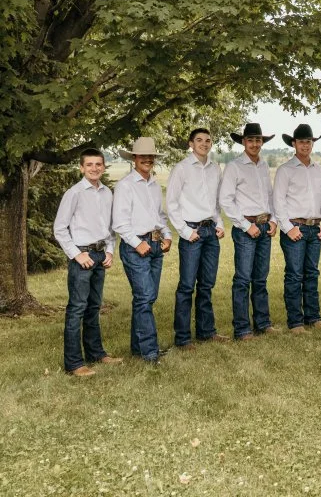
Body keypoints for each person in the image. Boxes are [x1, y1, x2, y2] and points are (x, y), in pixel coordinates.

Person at [53, 148, 122, 377]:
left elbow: (111, 228)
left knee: (94, 307)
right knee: (77, 309)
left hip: (100, 256)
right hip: (82, 257)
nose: (94, 168)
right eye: (89, 165)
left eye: (98, 164)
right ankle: (74, 363)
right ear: (81, 168)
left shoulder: (107, 193)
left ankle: (96, 353)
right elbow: (60, 228)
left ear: (103, 166)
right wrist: (76, 254)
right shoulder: (74, 193)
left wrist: (110, 251)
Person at [166, 128, 229, 350]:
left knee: (206, 284)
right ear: (191, 143)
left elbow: (216, 202)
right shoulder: (182, 169)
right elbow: (171, 203)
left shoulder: (215, 169)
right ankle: (182, 338)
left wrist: (219, 225)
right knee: (186, 286)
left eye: (208, 140)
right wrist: (185, 231)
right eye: (199, 140)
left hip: (211, 232)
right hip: (191, 232)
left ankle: (206, 331)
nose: (204, 143)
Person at [113, 137, 172, 364]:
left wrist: (166, 235)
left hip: (155, 245)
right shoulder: (126, 186)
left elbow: (159, 216)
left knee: (147, 298)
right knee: (145, 297)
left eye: (151, 157)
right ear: (134, 159)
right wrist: (137, 243)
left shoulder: (154, 185)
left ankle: (138, 348)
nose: (147, 160)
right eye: (143, 156)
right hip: (135, 247)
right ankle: (149, 351)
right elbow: (119, 223)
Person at [219, 123, 279, 340]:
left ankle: (263, 323)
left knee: (261, 278)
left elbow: (270, 196)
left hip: (265, 226)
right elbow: (226, 199)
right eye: (250, 140)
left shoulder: (263, 165)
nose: (255, 144)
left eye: (258, 140)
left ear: (262, 142)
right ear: (243, 142)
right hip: (246, 228)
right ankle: (242, 329)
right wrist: (246, 225)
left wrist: (273, 220)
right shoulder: (234, 167)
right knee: (243, 279)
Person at [273, 123, 321, 334]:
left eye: (308, 142)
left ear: (312, 143)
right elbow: (278, 202)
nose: (305, 145)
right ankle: (295, 322)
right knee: (295, 275)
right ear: (294, 144)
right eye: (301, 142)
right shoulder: (285, 170)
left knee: (312, 273)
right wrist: (288, 228)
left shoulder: (320, 171)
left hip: (315, 228)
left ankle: (313, 317)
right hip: (295, 228)